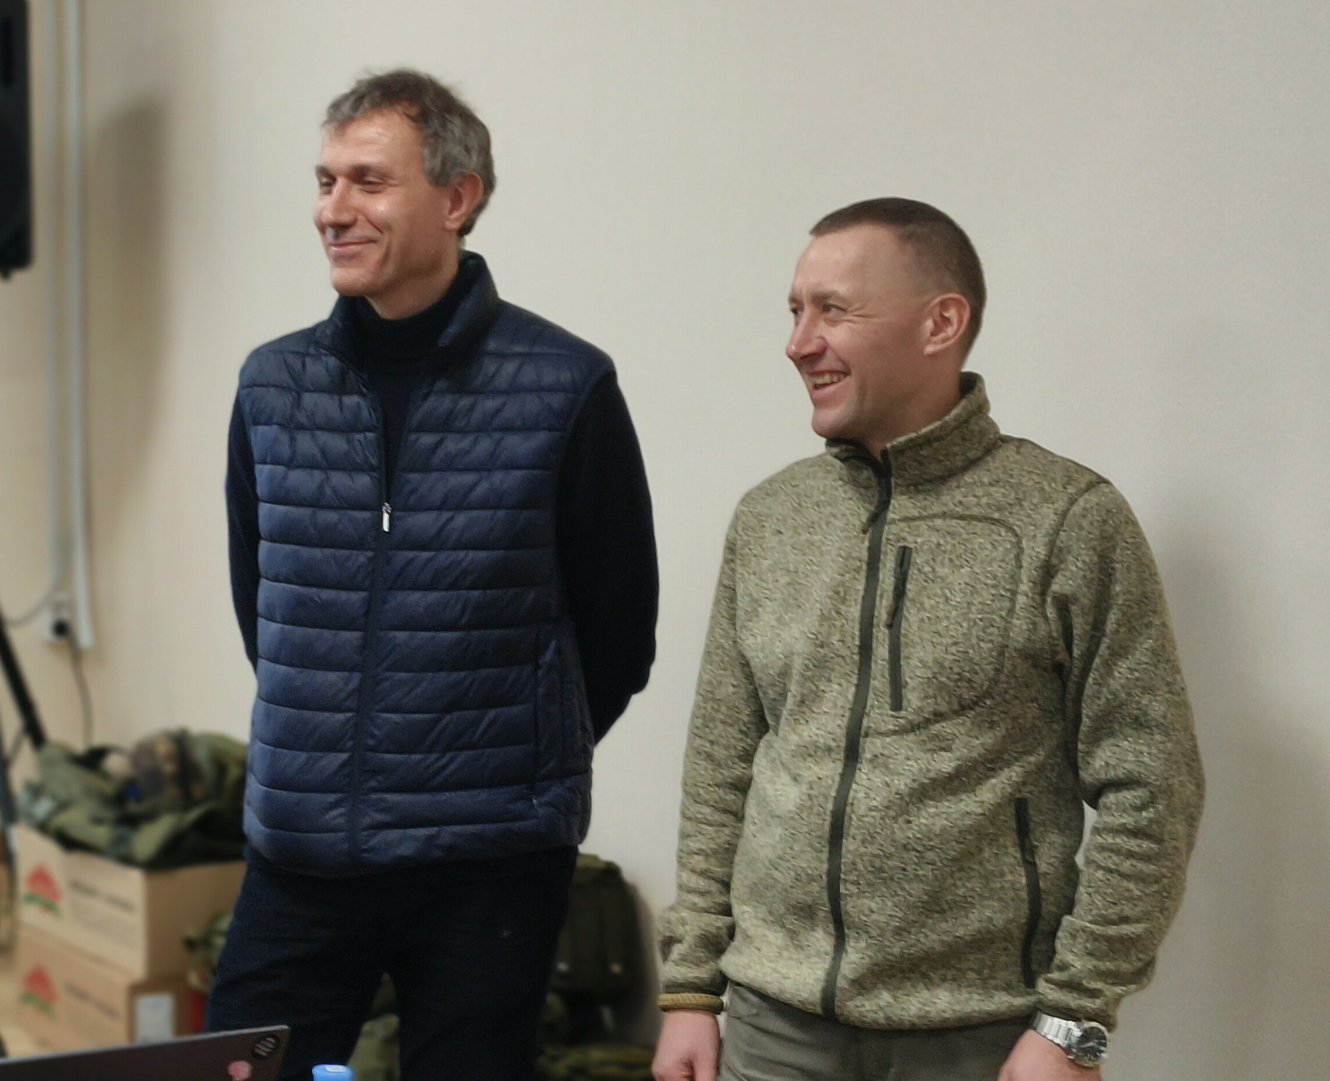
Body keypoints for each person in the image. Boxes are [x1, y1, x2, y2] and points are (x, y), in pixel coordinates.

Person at [651, 200, 1203, 1081]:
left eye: (833, 309)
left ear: (941, 323)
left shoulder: (1068, 518)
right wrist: (690, 990)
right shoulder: (770, 518)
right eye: (794, 311)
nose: (798, 342)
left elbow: (1152, 786)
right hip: (770, 1027)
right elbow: (722, 768)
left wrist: (1074, 1018)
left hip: (981, 1035)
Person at [206, 70, 659, 1080]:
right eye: (324, 181)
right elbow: (262, 606)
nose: (332, 210)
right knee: (237, 1068)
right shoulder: (271, 384)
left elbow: (618, 630)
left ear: (458, 197)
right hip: (301, 846)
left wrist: (505, 760)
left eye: (367, 181)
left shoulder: (565, 383)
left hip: (488, 861)